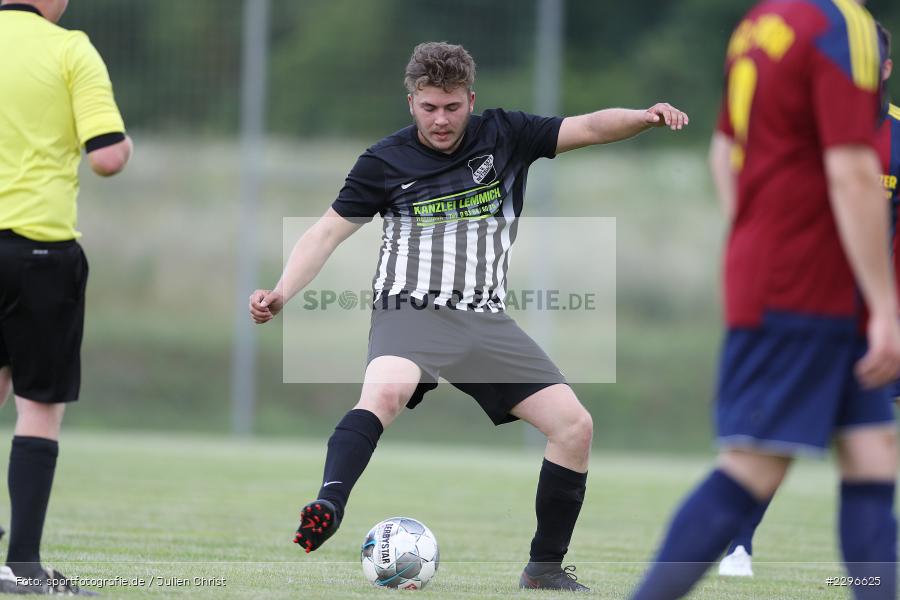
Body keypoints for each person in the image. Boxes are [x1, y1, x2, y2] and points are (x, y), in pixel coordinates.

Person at [250, 41, 688, 592]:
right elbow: (324, 233)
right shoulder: (384, 162)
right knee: (384, 394)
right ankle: (329, 504)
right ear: (411, 102)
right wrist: (282, 290)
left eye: (452, 107)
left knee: (574, 427)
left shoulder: (505, 134)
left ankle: (544, 569)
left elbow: (591, 127)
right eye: (429, 107)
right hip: (409, 310)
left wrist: (645, 118)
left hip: (483, 320)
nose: (440, 119)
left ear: (470, 99)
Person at [631, 1, 900, 598]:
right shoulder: (841, 26)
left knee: (873, 453)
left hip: (799, 278)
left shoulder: (762, 24)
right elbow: (854, 171)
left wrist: (757, 235)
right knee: (753, 467)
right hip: (805, 288)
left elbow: (722, 153)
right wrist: (884, 306)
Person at [717, 20, 900, 579]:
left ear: (884, 70)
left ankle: (873, 574)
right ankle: (736, 547)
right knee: (777, 439)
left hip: (881, 315)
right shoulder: (808, 131)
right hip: (812, 309)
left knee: (873, 452)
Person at [0, 0, 132, 595]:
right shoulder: (68, 48)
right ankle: (21, 565)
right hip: (38, 249)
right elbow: (106, 156)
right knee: (37, 405)